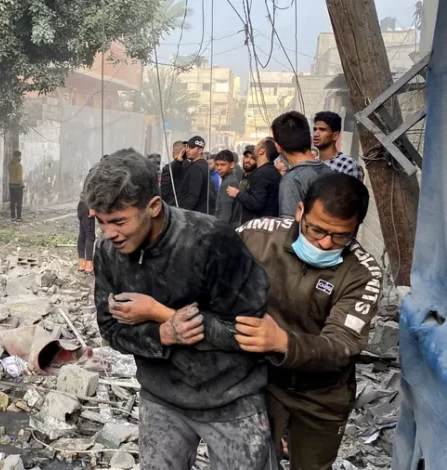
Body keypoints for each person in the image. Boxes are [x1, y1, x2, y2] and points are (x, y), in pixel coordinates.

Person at [85, 149, 275, 470]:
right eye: (101, 222)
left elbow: (251, 332)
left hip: (232, 399)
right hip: (161, 398)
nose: (109, 233)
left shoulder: (212, 240)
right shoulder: (107, 252)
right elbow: (110, 329)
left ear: (153, 207)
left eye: (119, 221)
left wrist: (163, 315)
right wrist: (161, 333)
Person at [234, 173, 380, 470]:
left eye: (340, 236)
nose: (325, 243)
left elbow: (341, 345)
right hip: (260, 381)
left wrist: (282, 342)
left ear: (356, 228)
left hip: (322, 395)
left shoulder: (362, 273)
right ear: (300, 211)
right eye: (316, 230)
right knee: (251, 462)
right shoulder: (257, 236)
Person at [273, 111, 330, 217]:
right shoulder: (330, 172)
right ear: (310, 139)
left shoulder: (292, 181)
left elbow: (290, 223)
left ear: (278, 147)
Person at [228, 138, 281, 224]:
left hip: (259, 226)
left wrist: (237, 193)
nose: (255, 148)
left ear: (261, 151)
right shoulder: (271, 171)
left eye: (258, 145)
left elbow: (256, 203)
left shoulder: (261, 173)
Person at [313, 111, 365, 181]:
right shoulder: (312, 164)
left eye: (322, 130)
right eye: (315, 129)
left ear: (335, 135)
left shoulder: (348, 165)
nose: (316, 134)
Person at [177, 136, 216, 214]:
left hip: (194, 213)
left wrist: (183, 212)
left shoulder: (197, 167)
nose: (187, 150)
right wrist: (179, 161)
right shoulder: (204, 164)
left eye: (191, 148)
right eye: (187, 147)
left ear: (200, 150)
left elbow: (193, 194)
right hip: (202, 212)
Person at [214, 150, 241, 226]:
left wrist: (219, 229)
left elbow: (225, 214)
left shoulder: (228, 183)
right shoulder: (229, 179)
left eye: (223, 165)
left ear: (231, 165)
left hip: (226, 227)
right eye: (217, 165)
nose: (219, 168)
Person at [160, 141, 186, 207]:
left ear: (173, 152)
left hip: (171, 204)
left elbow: (164, 191)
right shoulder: (190, 167)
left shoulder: (168, 168)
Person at [76, 197, 95, 274]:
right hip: (88, 206)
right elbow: (91, 193)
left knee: (82, 234)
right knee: (90, 235)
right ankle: (89, 264)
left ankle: (82, 263)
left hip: (81, 205)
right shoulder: (92, 187)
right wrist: (92, 207)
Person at [8, 150, 24, 222]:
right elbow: (19, 177)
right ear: (19, 156)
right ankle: (18, 218)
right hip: (18, 185)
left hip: (11, 184)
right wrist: (22, 185)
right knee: (19, 202)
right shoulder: (19, 165)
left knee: (12, 201)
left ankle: (12, 217)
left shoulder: (9, 164)